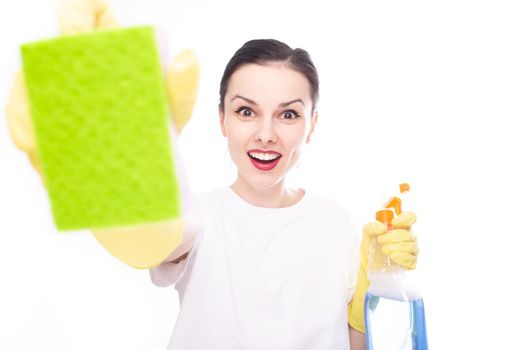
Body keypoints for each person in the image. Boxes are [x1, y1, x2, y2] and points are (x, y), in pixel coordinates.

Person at [149, 39, 419, 350]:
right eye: (246, 111)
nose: (265, 134)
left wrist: (378, 282)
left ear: (312, 125)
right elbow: (154, 239)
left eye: (288, 115)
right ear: (223, 119)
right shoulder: (198, 216)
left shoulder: (334, 222)